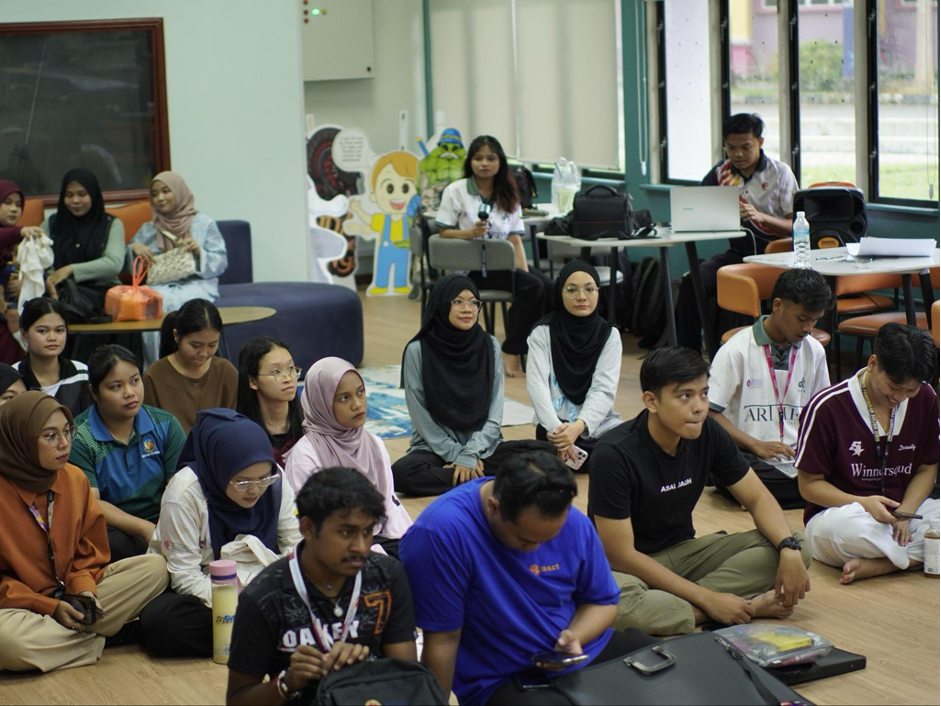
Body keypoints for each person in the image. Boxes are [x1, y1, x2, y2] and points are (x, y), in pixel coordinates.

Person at [400, 450, 656, 706]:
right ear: (493, 507)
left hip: (583, 652)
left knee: (668, 670)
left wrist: (575, 636)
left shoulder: (572, 521)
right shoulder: (440, 534)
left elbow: (602, 601)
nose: (536, 550)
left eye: (549, 538)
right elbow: (442, 639)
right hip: (504, 678)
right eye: (525, 541)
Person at [588, 346, 812, 637]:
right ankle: (736, 607)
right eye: (685, 396)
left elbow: (758, 498)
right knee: (615, 606)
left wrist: (789, 550)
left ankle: (686, 608)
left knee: (796, 543)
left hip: (685, 555)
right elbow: (620, 555)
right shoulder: (613, 454)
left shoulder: (708, 432)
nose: (699, 407)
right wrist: (707, 598)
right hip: (626, 568)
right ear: (651, 401)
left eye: (704, 394)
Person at [0, 392, 169, 673]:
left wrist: (84, 590)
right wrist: (48, 606)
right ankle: (100, 637)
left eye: (68, 431)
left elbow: (89, 552)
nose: (65, 443)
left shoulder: (73, 478)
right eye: (50, 436)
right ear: (20, 440)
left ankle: (61, 640)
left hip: (72, 595)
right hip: (20, 607)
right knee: (7, 643)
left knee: (156, 568)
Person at [225, 467, 418, 705]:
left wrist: (365, 670)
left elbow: (408, 681)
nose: (360, 547)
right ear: (307, 528)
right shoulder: (264, 597)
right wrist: (289, 682)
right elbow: (238, 699)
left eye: (367, 531)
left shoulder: (387, 577)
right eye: (346, 532)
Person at [142, 408, 302, 657]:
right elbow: (185, 577)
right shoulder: (184, 494)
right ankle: (276, 632)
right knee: (161, 622)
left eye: (263, 479)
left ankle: (259, 633)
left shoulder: (275, 480)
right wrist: (245, 601)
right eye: (242, 482)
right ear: (219, 468)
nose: (255, 490)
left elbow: (296, 546)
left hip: (266, 582)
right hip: (209, 591)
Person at [796, 323, 939, 585]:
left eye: (911, 390)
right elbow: (809, 486)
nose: (900, 397)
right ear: (873, 363)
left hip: (905, 513)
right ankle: (920, 557)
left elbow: (927, 468)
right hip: (844, 515)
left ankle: (885, 565)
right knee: (852, 530)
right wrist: (862, 503)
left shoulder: (925, 398)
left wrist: (905, 512)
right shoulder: (827, 407)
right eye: (894, 386)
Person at [391, 274, 554, 496]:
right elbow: (421, 417)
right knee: (401, 474)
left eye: (473, 302)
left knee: (547, 453)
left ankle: (461, 476)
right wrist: (457, 454)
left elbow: (494, 416)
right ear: (441, 304)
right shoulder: (417, 350)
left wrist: (471, 453)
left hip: (484, 448)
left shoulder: (490, 345)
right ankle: (484, 477)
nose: (467, 309)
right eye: (458, 301)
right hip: (435, 449)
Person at [708, 268, 834, 507]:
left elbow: (822, 412)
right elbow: (709, 413)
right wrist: (755, 445)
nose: (808, 328)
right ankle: (816, 493)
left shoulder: (815, 351)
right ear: (777, 306)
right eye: (802, 318)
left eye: (815, 320)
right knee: (729, 468)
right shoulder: (736, 350)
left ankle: (756, 496)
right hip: (748, 452)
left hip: (796, 458)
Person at [676, 113, 800, 352]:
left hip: (774, 258)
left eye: (745, 147)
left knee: (742, 289)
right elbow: (697, 206)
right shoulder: (721, 173)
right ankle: (687, 356)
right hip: (738, 255)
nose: (738, 154)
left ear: (760, 142)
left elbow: (796, 227)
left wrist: (761, 217)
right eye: (731, 147)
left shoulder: (780, 173)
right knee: (692, 282)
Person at [436, 135, 551, 377]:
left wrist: (522, 273)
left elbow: (515, 238)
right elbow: (443, 232)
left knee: (548, 288)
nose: (484, 163)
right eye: (478, 158)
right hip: (470, 270)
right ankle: (511, 351)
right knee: (533, 287)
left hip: (502, 267)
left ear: (500, 161)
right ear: (470, 161)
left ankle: (541, 351)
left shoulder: (509, 193)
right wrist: (471, 233)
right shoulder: (455, 191)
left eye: (491, 158)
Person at [69, 345, 186, 563]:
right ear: (94, 392)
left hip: (165, 520)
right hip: (115, 530)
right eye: (116, 386)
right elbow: (91, 503)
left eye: (134, 381)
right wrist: (143, 528)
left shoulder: (165, 424)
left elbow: (180, 488)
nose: (130, 392)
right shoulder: (79, 438)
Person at [285, 357, 412, 556]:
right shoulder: (306, 456)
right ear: (322, 403)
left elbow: (388, 505)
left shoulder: (374, 444)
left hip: (378, 539)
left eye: (360, 392)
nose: (358, 404)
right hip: (335, 548)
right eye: (344, 398)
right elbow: (308, 525)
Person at [526, 262, 622, 472]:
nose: (581, 297)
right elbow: (537, 385)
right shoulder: (542, 332)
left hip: (596, 426)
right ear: (559, 293)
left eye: (589, 289)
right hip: (554, 428)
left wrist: (578, 427)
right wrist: (558, 431)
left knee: (622, 446)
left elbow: (603, 389)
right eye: (571, 290)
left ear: (598, 292)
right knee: (548, 448)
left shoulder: (610, 335)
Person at [127, 172, 228, 365]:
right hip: (159, 285)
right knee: (153, 305)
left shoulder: (203, 224)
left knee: (191, 305)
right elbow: (132, 268)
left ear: (179, 191)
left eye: (166, 191)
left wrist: (199, 252)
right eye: (154, 194)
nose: (160, 198)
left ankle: (199, 365)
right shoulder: (149, 228)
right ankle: (158, 367)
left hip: (196, 283)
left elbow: (221, 261)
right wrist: (133, 248)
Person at [143, 298, 238, 434]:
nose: (204, 353)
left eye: (212, 345)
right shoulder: (154, 376)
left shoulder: (226, 372)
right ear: (176, 335)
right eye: (195, 345)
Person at [39, 168, 125, 308]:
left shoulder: (111, 224)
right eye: (69, 195)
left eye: (82, 194)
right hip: (61, 292)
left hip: (103, 292)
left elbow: (113, 264)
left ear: (93, 194)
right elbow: (36, 259)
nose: (75, 201)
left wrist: (70, 270)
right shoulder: (52, 223)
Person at [14, 297, 91, 417]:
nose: (52, 338)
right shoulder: (13, 377)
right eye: (42, 331)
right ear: (24, 334)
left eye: (59, 330)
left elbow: (89, 420)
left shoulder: (82, 373)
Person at [236, 336, 303, 467]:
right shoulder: (242, 436)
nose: (288, 378)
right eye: (276, 371)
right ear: (253, 381)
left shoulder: (309, 426)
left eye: (291, 368)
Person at [1, 179, 44, 364]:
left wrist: (25, 284)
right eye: (7, 202)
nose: (14, 209)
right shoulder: (17, 234)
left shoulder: (21, 243)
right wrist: (20, 231)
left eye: (18, 205)